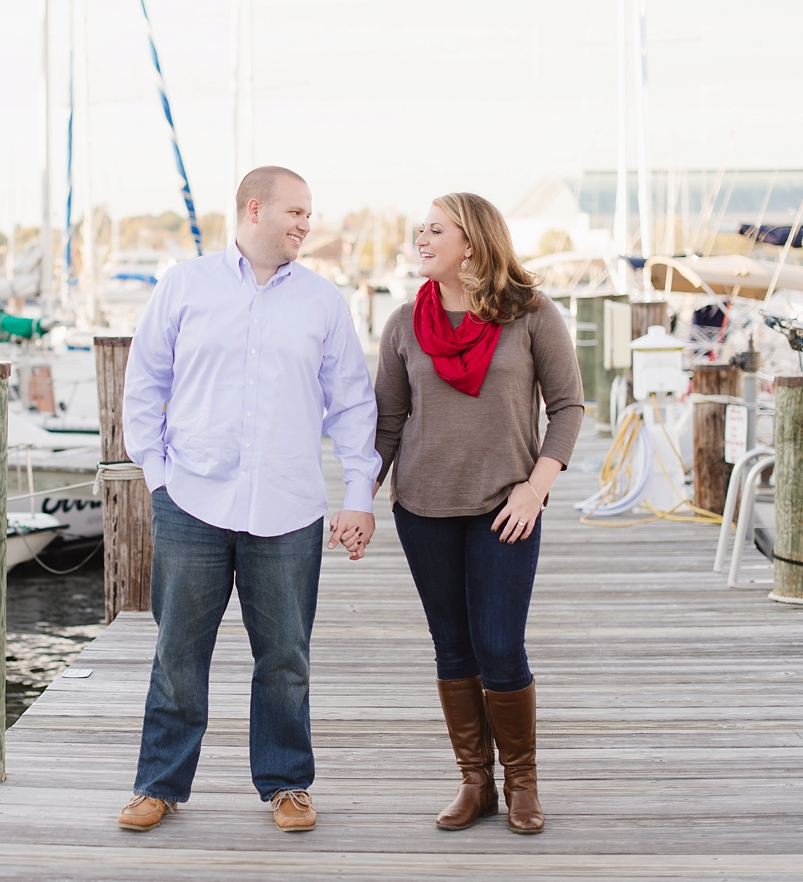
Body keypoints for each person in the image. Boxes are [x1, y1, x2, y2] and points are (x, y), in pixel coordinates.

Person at [118, 166, 382, 834]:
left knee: (286, 658)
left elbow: (352, 404)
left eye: (308, 214)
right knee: (177, 654)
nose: (305, 224)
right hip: (191, 499)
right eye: (295, 212)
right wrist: (155, 474)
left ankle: (286, 782)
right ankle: (158, 785)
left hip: (288, 508)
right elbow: (144, 381)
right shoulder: (184, 284)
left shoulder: (322, 302)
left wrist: (358, 496)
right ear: (253, 209)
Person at [373, 193, 583, 835]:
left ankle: (522, 783)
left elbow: (569, 407)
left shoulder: (532, 315)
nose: (422, 237)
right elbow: (388, 422)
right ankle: (476, 783)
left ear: (473, 241)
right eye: (421, 228)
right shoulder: (405, 323)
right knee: (452, 647)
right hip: (424, 507)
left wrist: (536, 488)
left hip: (506, 507)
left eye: (436, 228)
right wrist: (361, 498)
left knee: (500, 645)